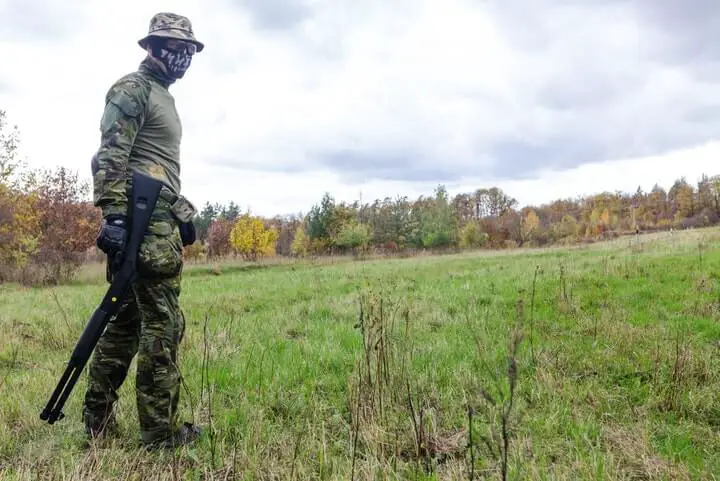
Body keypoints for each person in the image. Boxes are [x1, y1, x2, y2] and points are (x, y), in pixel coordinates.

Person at [83, 12, 204, 449]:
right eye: (174, 47)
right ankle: (160, 433)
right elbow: (109, 156)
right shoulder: (133, 89)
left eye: (188, 49)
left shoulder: (162, 95)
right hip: (142, 228)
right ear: (151, 46)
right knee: (163, 326)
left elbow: (155, 168)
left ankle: (95, 421)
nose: (183, 56)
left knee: (126, 325)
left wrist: (180, 213)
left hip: (157, 220)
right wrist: (115, 218)